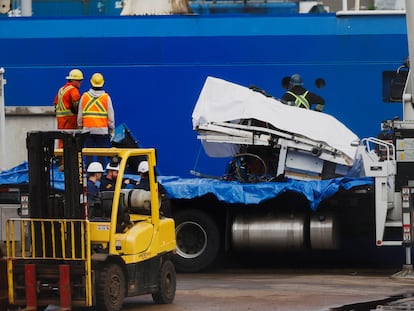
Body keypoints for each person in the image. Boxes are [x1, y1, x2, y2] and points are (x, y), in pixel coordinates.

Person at [78, 72, 115, 167]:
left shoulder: (84, 96)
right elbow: (110, 117)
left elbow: (80, 115)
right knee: (101, 154)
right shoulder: (106, 97)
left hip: (87, 130)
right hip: (102, 130)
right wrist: (111, 130)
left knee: (88, 153)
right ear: (102, 83)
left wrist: (80, 127)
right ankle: (100, 172)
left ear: (91, 82)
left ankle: (89, 173)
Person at [53, 69, 84, 146]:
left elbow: (55, 103)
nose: (80, 82)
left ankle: (60, 157)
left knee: (61, 140)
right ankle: (66, 158)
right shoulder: (73, 90)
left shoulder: (61, 89)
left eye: (81, 80)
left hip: (61, 120)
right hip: (70, 120)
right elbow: (77, 105)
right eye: (78, 80)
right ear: (72, 80)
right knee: (70, 142)